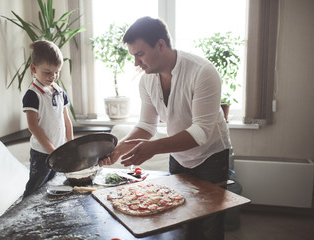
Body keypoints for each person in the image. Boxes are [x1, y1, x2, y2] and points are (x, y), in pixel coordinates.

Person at [99, 17, 231, 240]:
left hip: (211, 156)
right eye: (133, 56)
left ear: (160, 45)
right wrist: (120, 148)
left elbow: (201, 132)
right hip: (178, 157)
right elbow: (146, 125)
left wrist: (153, 148)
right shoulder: (146, 80)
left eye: (139, 54)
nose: (136, 63)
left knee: (209, 227)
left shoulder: (203, 72)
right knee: (181, 220)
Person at [22, 40, 73, 198]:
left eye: (56, 72)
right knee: (35, 188)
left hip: (58, 150)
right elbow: (33, 127)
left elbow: (67, 120)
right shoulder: (32, 95)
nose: (53, 77)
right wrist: (52, 151)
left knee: (52, 186)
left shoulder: (59, 91)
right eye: (47, 72)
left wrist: (71, 145)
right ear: (33, 68)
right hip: (42, 154)